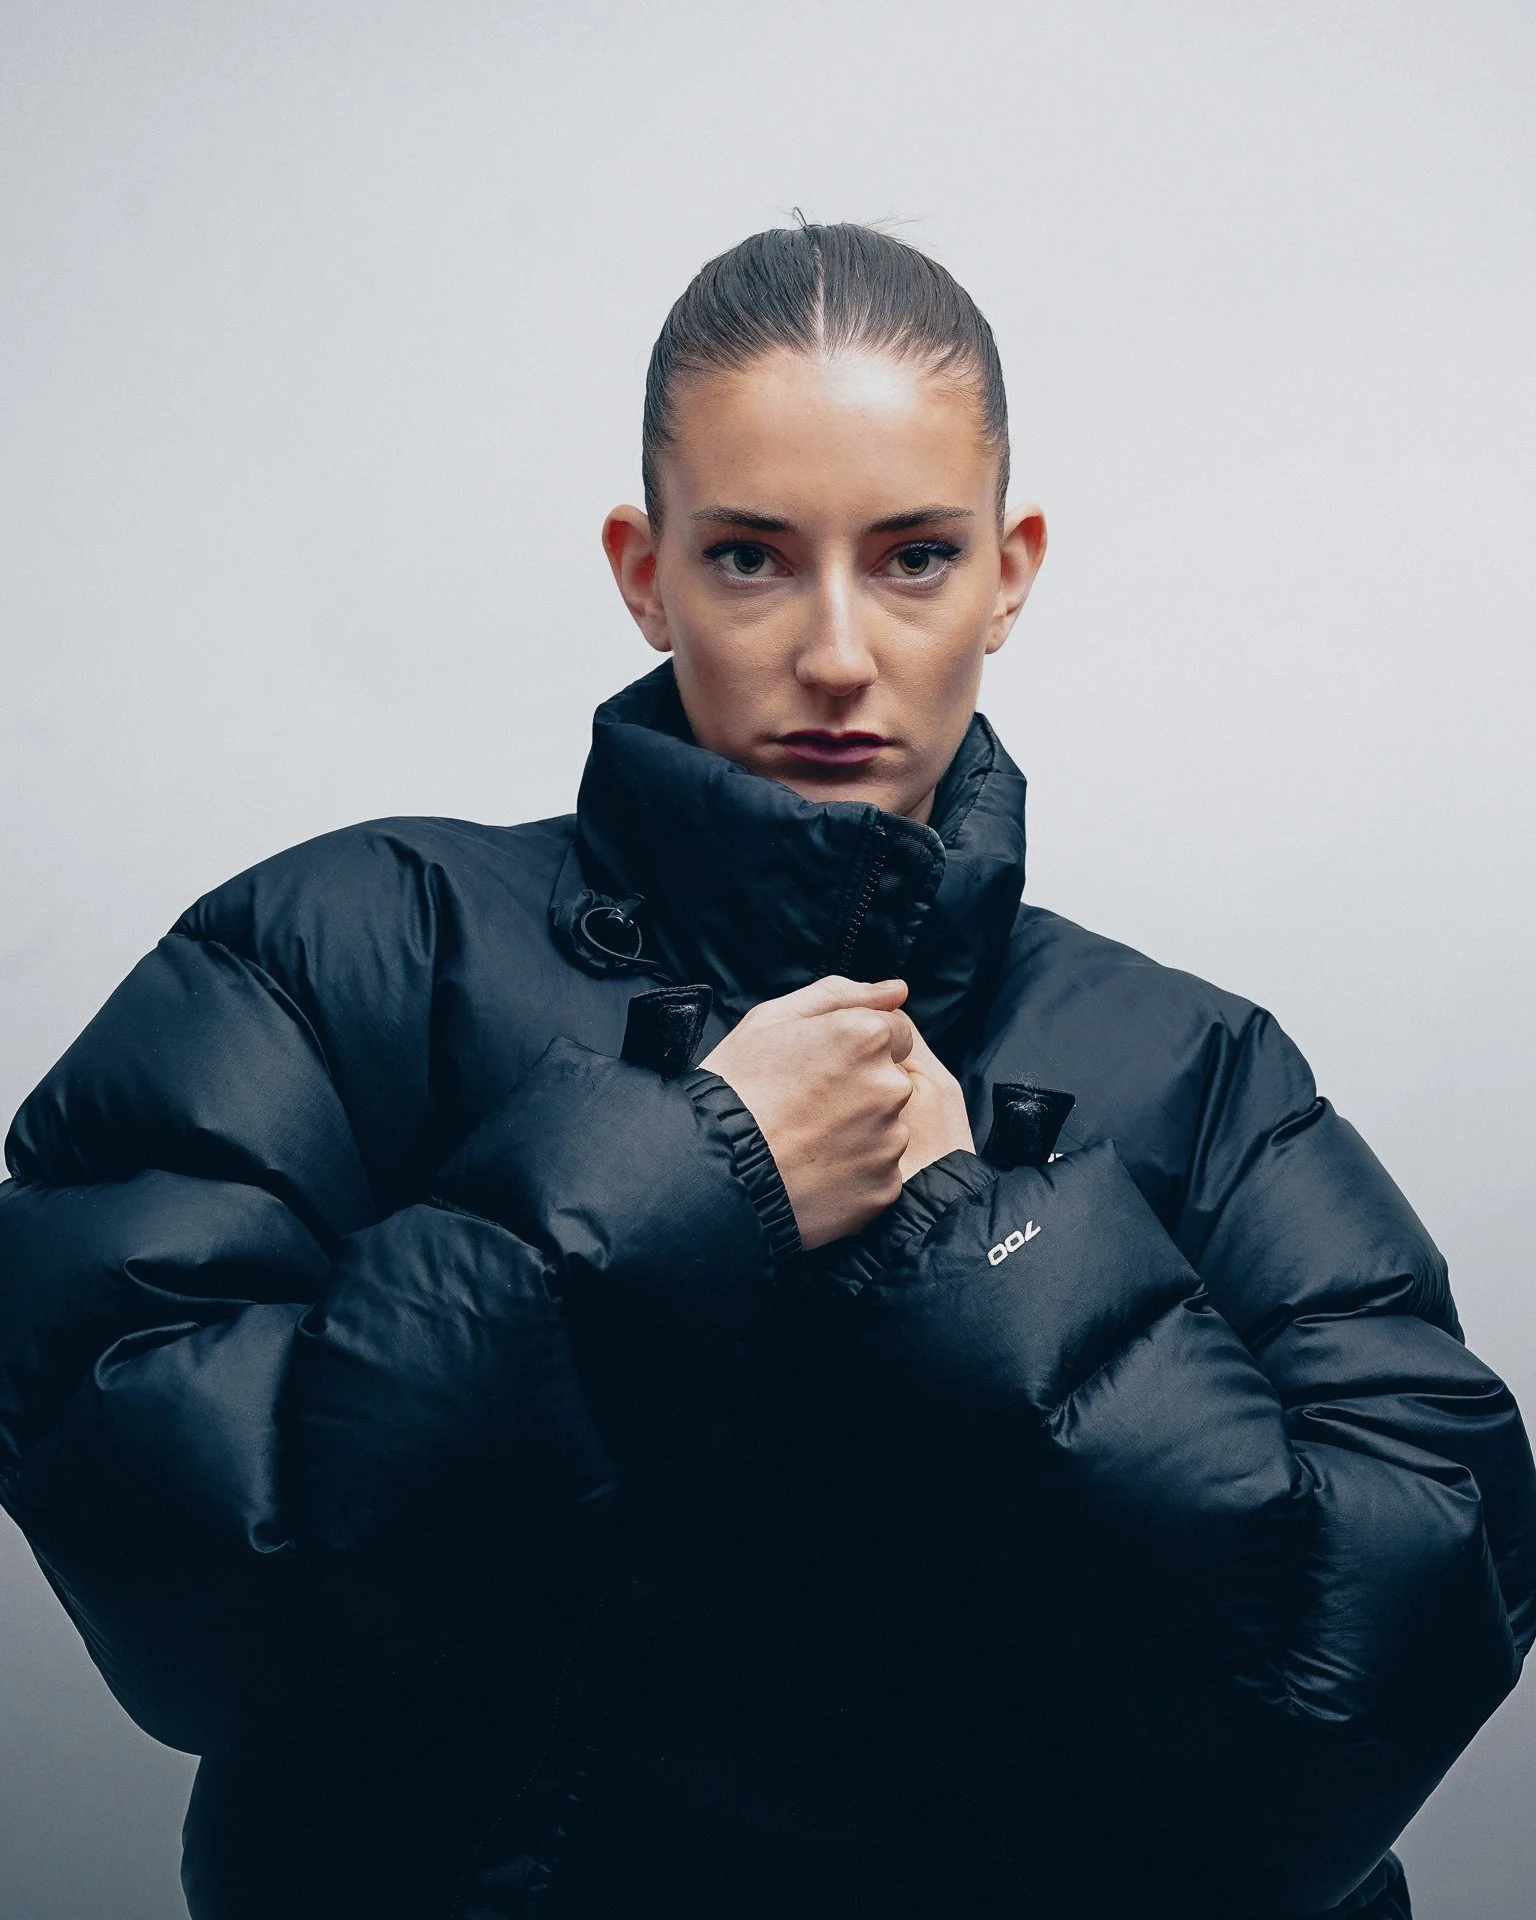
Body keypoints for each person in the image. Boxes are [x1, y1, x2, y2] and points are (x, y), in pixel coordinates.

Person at [0, 222, 1531, 1920]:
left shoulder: (1199, 1070)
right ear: (639, 568)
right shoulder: (346, 951)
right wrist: (687, 1175)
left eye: (912, 557)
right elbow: (186, 1570)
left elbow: (1379, 1660)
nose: (833, 651)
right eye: (747, 556)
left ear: (1012, 570)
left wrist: (986, 1249)